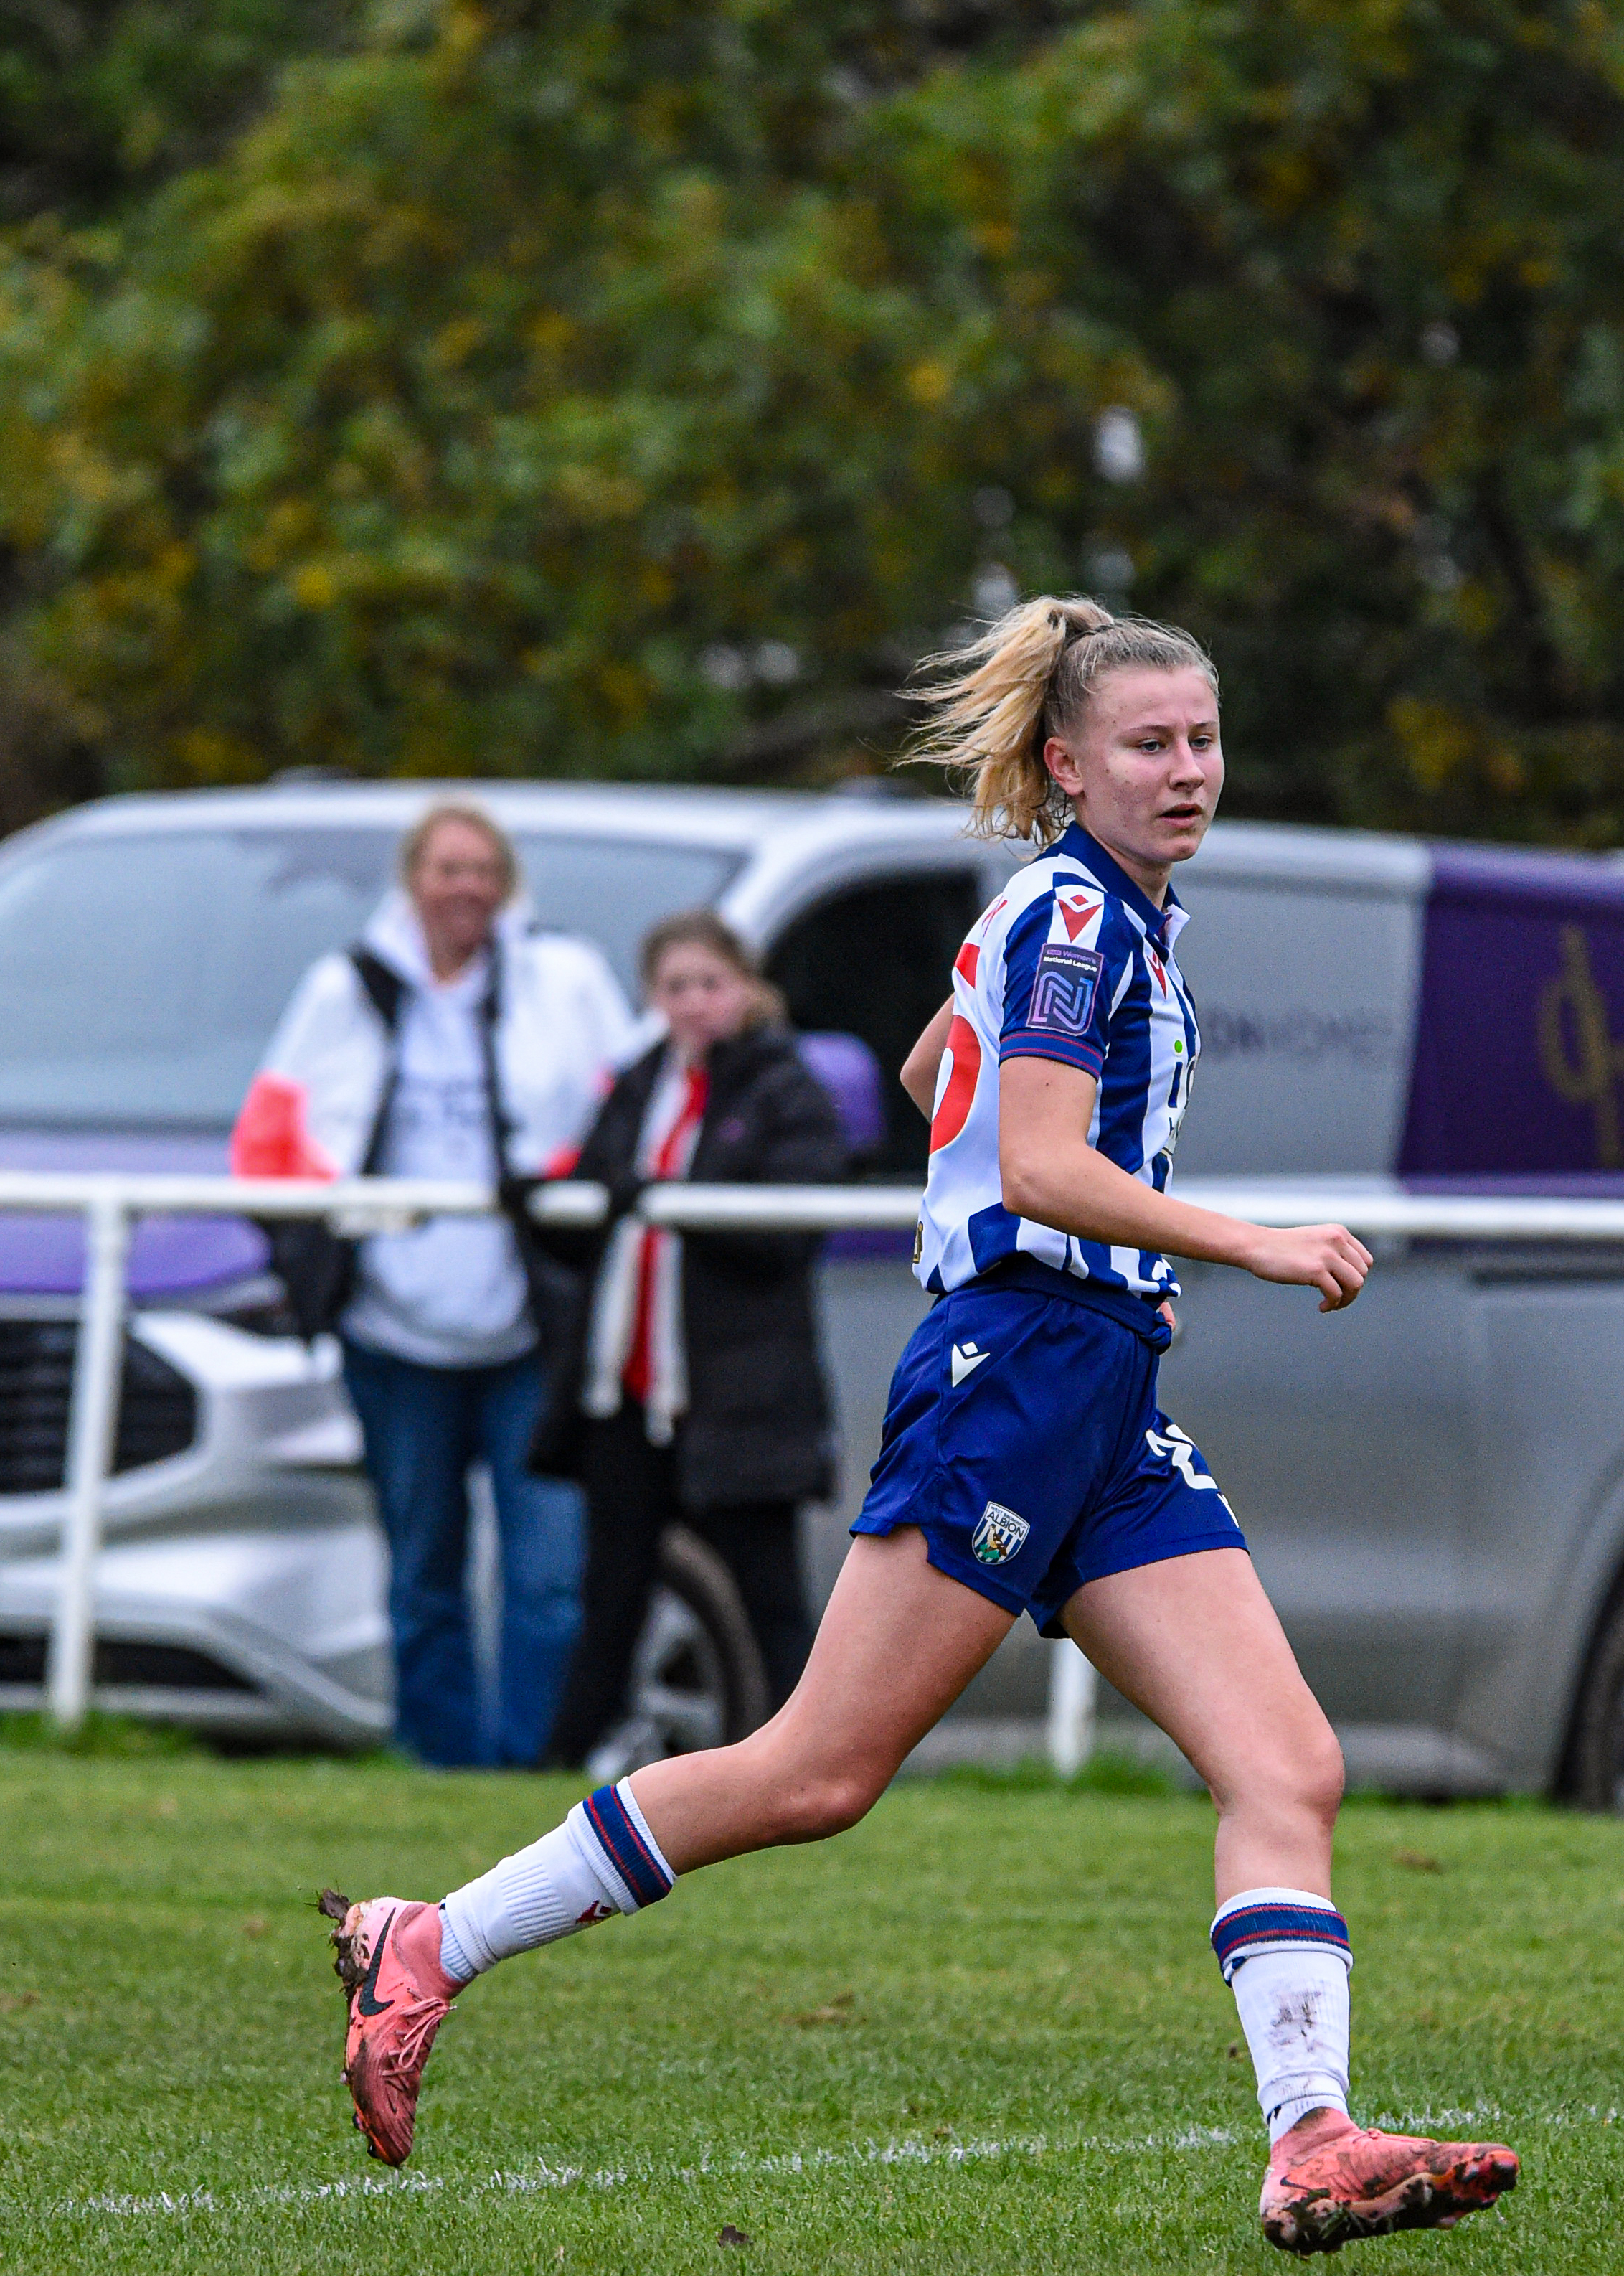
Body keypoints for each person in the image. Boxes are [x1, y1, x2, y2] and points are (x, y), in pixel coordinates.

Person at [316, 598, 1519, 2256]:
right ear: (1065, 763)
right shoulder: (1083, 924)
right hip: (1015, 1373)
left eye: (1201, 740)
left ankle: (1308, 2139)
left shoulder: (1106, 919)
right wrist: (1251, 1238)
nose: (1185, 771)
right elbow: (1034, 1164)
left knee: (1284, 1763)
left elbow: (930, 1073)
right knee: (814, 1772)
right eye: (1147, 746)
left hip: (1097, 1392)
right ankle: (428, 1941)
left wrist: (991, 1091)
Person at [235, 801, 633, 1768]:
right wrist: (318, 1259)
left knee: (546, 1576)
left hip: (528, 1331)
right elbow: (265, 1144)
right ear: (411, 881)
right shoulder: (347, 991)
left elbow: (626, 1111)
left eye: (483, 869)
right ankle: (440, 1764)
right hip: (393, 1332)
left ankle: (530, 1770)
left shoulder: (564, 979)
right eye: (447, 869)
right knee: (423, 1572)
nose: (467, 889)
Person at [539, 909, 850, 1771]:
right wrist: (538, 1200)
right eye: (676, 986)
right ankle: (557, 1765)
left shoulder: (782, 1085)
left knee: (769, 1597)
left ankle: (816, 1764)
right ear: (652, 997)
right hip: (629, 1389)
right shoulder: (638, 1083)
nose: (695, 1003)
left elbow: (789, 1232)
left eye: (710, 983)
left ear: (745, 987)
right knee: (613, 1592)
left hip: (740, 1392)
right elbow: (596, 1206)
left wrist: (671, 1201)